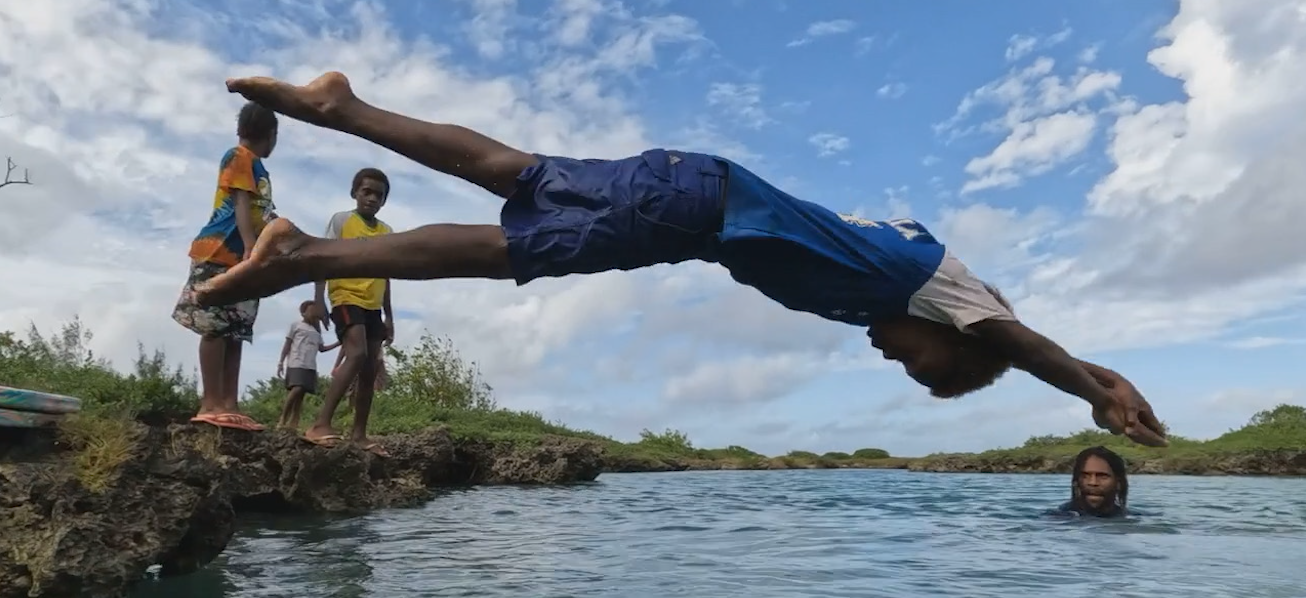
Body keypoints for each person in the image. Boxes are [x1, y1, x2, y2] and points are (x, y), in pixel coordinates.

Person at [196, 71, 1167, 447]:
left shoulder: (903, 270)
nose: (889, 356)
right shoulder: (943, 286)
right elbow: (1017, 336)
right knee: (512, 253)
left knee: (518, 179)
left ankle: (342, 108)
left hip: (684, 185)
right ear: (954, 332)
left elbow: (1010, 334)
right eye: (917, 360)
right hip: (690, 209)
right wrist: (1085, 387)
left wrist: (1100, 371)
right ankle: (301, 253)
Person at [171, 101, 279, 432]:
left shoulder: (261, 170)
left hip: (248, 259)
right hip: (220, 252)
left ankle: (230, 403)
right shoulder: (238, 157)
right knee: (214, 327)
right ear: (271, 135)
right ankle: (211, 402)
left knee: (235, 331)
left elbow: (265, 213)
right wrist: (249, 246)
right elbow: (241, 202)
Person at [300, 167, 396, 455]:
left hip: (372, 305)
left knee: (369, 368)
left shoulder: (386, 233)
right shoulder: (342, 221)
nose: (372, 199)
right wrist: (319, 300)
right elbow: (323, 259)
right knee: (356, 354)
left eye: (379, 195)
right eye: (366, 192)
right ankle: (320, 424)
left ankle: (359, 435)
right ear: (355, 193)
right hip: (345, 297)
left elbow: (387, 273)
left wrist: (389, 316)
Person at [276, 300, 342, 430]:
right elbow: (287, 344)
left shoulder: (316, 332)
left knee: (301, 394)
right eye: (311, 310)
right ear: (303, 312)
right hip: (296, 361)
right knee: (297, 389)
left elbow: (322, 349)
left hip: (310, 365)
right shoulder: (296, 326)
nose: (314, 313)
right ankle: (283, 418)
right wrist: (281, 362)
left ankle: (294, 422)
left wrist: (338, 343)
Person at [1055, 446, 1129, 517]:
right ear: (1076, 480)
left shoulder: (1131, 517)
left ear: (1119, 483)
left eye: (1102, 476)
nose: (1093, 482)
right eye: (1085, 476)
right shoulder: (1059, 517)